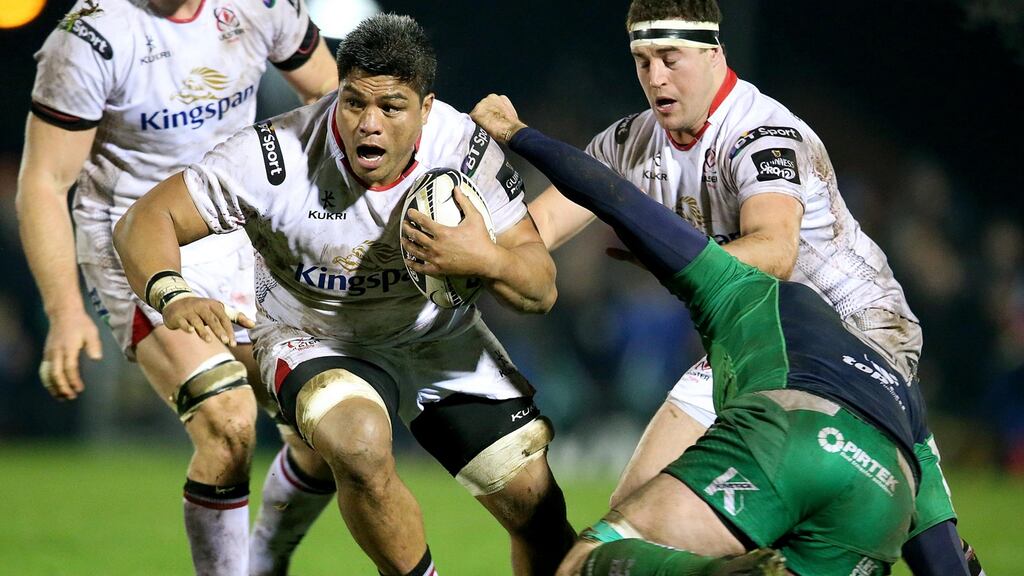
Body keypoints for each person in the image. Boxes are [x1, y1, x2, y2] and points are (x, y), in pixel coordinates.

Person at [112, 13, 576, 576]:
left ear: (426, 109)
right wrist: (171, 291)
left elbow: (540, 288)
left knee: (537, 512)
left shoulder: (466, 149)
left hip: (436, 339)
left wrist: (486, 258)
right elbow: (147, 216)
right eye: (354, 102)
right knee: (358, 444)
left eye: (392, 107)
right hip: (313, 336)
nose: (368, 124)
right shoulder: (273, 158)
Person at [524, 1, 978, 573]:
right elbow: (535, 231)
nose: (655, 77)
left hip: (852, 328)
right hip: (757, 333)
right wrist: (471, 250)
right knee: (633, 514)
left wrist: (684, 265)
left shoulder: (760, 133)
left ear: (714, 52)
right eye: (642, 61)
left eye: (671, 58)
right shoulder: (632, 142)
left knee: (819, 484)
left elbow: (774, 252)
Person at [15, 0, 340, 573]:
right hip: (134, 234)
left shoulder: (261, 6)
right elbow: (46, 179)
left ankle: (263, 561)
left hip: (238, 223)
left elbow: (331, 97)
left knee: (329, 426)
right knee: (228, 421)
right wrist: (65, 310)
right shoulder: (92, 36)